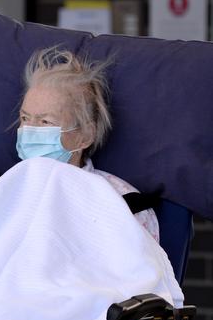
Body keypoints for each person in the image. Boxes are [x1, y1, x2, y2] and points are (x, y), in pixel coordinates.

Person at [15, 47, 160, 241]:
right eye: (25, 118)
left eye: (45, 122)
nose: (29, 131)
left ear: (85, 136)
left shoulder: (122, 204)